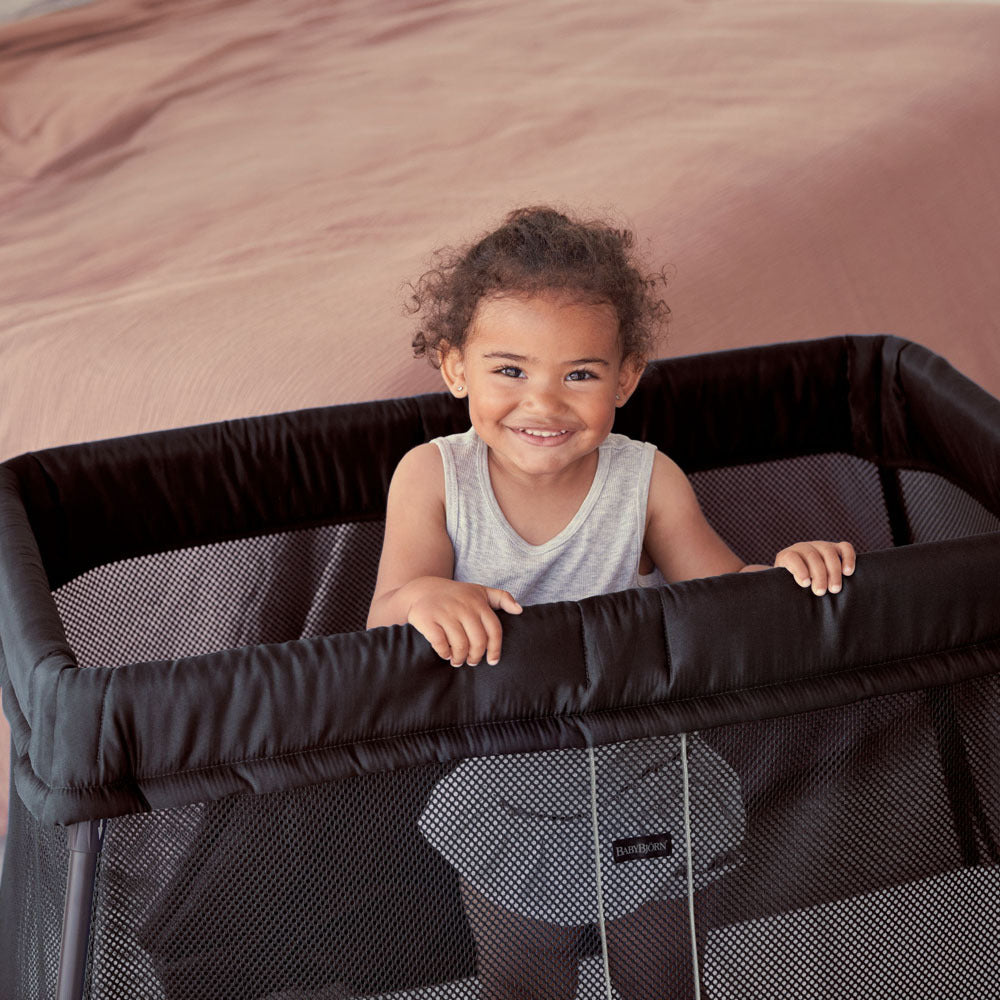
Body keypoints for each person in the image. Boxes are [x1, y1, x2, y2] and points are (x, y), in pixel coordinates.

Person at [367, 206, 855, 999]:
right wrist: (425, 593)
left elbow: (724, 595)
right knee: (523, 984)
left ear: (625, 377)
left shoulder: (646, 480)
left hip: (650, 778)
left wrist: (786, 574)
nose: (543, 404)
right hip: (507, 789)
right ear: (455, 368)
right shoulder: (433, 477)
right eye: (510, 371)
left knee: (664, 981)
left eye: (580, 375)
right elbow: (386, 618)